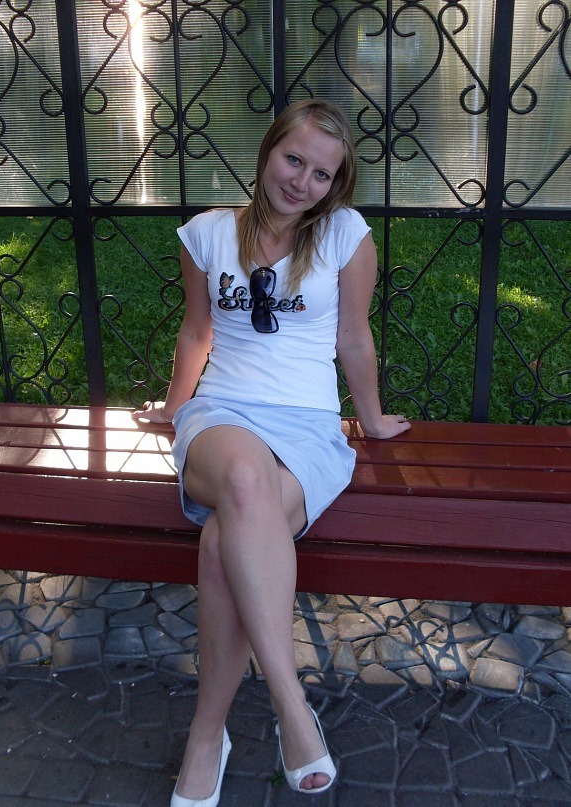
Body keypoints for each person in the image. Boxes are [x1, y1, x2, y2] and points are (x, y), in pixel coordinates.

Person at [134, 98, 410, 806]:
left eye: (322, 173)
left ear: (335, 184)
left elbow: (353, 337)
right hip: (223, 415)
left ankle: (207, 736)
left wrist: (370, 420)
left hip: (308, 426)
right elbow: (197, 330)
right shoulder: (207, 234)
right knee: (243, 477)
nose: (302, 182)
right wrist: (173, 407)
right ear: (267, 153)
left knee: (223, 540)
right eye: (294, 159)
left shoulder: (345, 235)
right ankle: (292, 706)